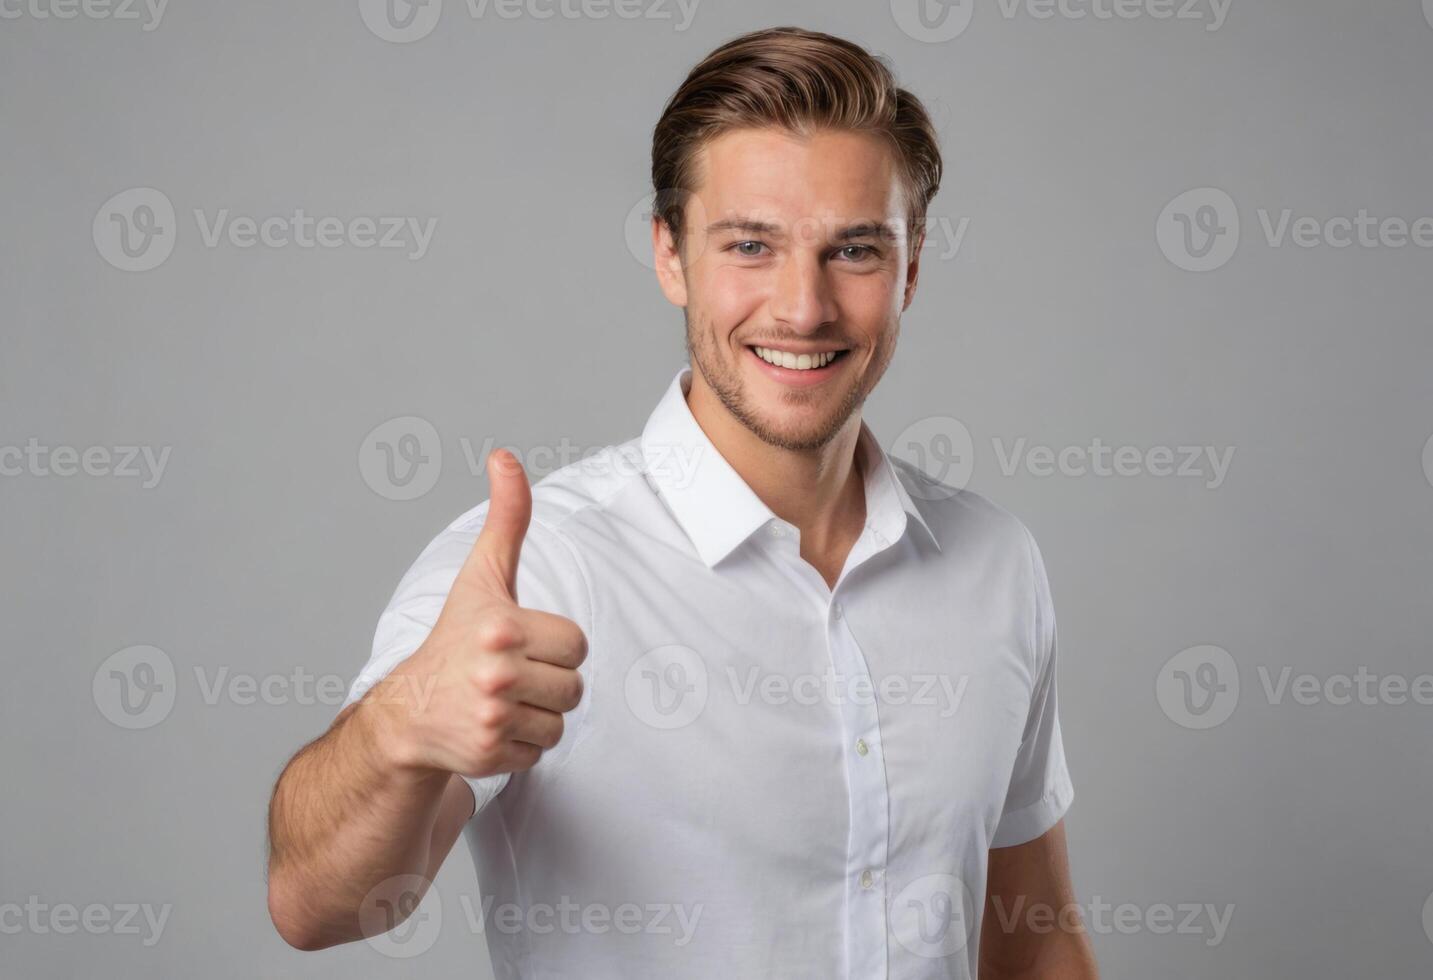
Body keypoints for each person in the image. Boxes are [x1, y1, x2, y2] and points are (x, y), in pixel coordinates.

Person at [266, 25, 1099, 979]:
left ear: (909, 269)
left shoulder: (994, 562)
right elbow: (311, 903)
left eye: (855, 251)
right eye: (750, 245)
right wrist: (400, 725)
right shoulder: (538, 571)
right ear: (670, 256)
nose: (802, 307)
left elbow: (1031, 938)